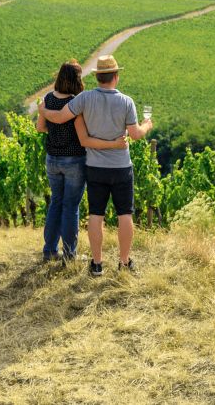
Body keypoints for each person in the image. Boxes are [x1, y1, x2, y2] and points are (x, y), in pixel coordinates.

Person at [40, 54, 152, 276]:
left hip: (94, 167)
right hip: (121, 167)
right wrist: (147, 125)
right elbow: (135, 135)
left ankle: (97, 264)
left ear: (98, 77)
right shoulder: (127, 101)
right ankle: (123, 262)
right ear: (116, 77)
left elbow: (60, 117)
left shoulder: (84, 99)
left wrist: (42, 110)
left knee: (95, 215)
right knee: (125, 214)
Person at [36, 60, 125, 263]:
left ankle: (49, 250)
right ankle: (69, 254)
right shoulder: (77, 102)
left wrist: (51, 124)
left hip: (52, 159)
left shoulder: (48, 99)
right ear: (77, 80)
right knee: (70, 206)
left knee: (55, 203)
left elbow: (40, 128)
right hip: (74, 160)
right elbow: (83, 133)